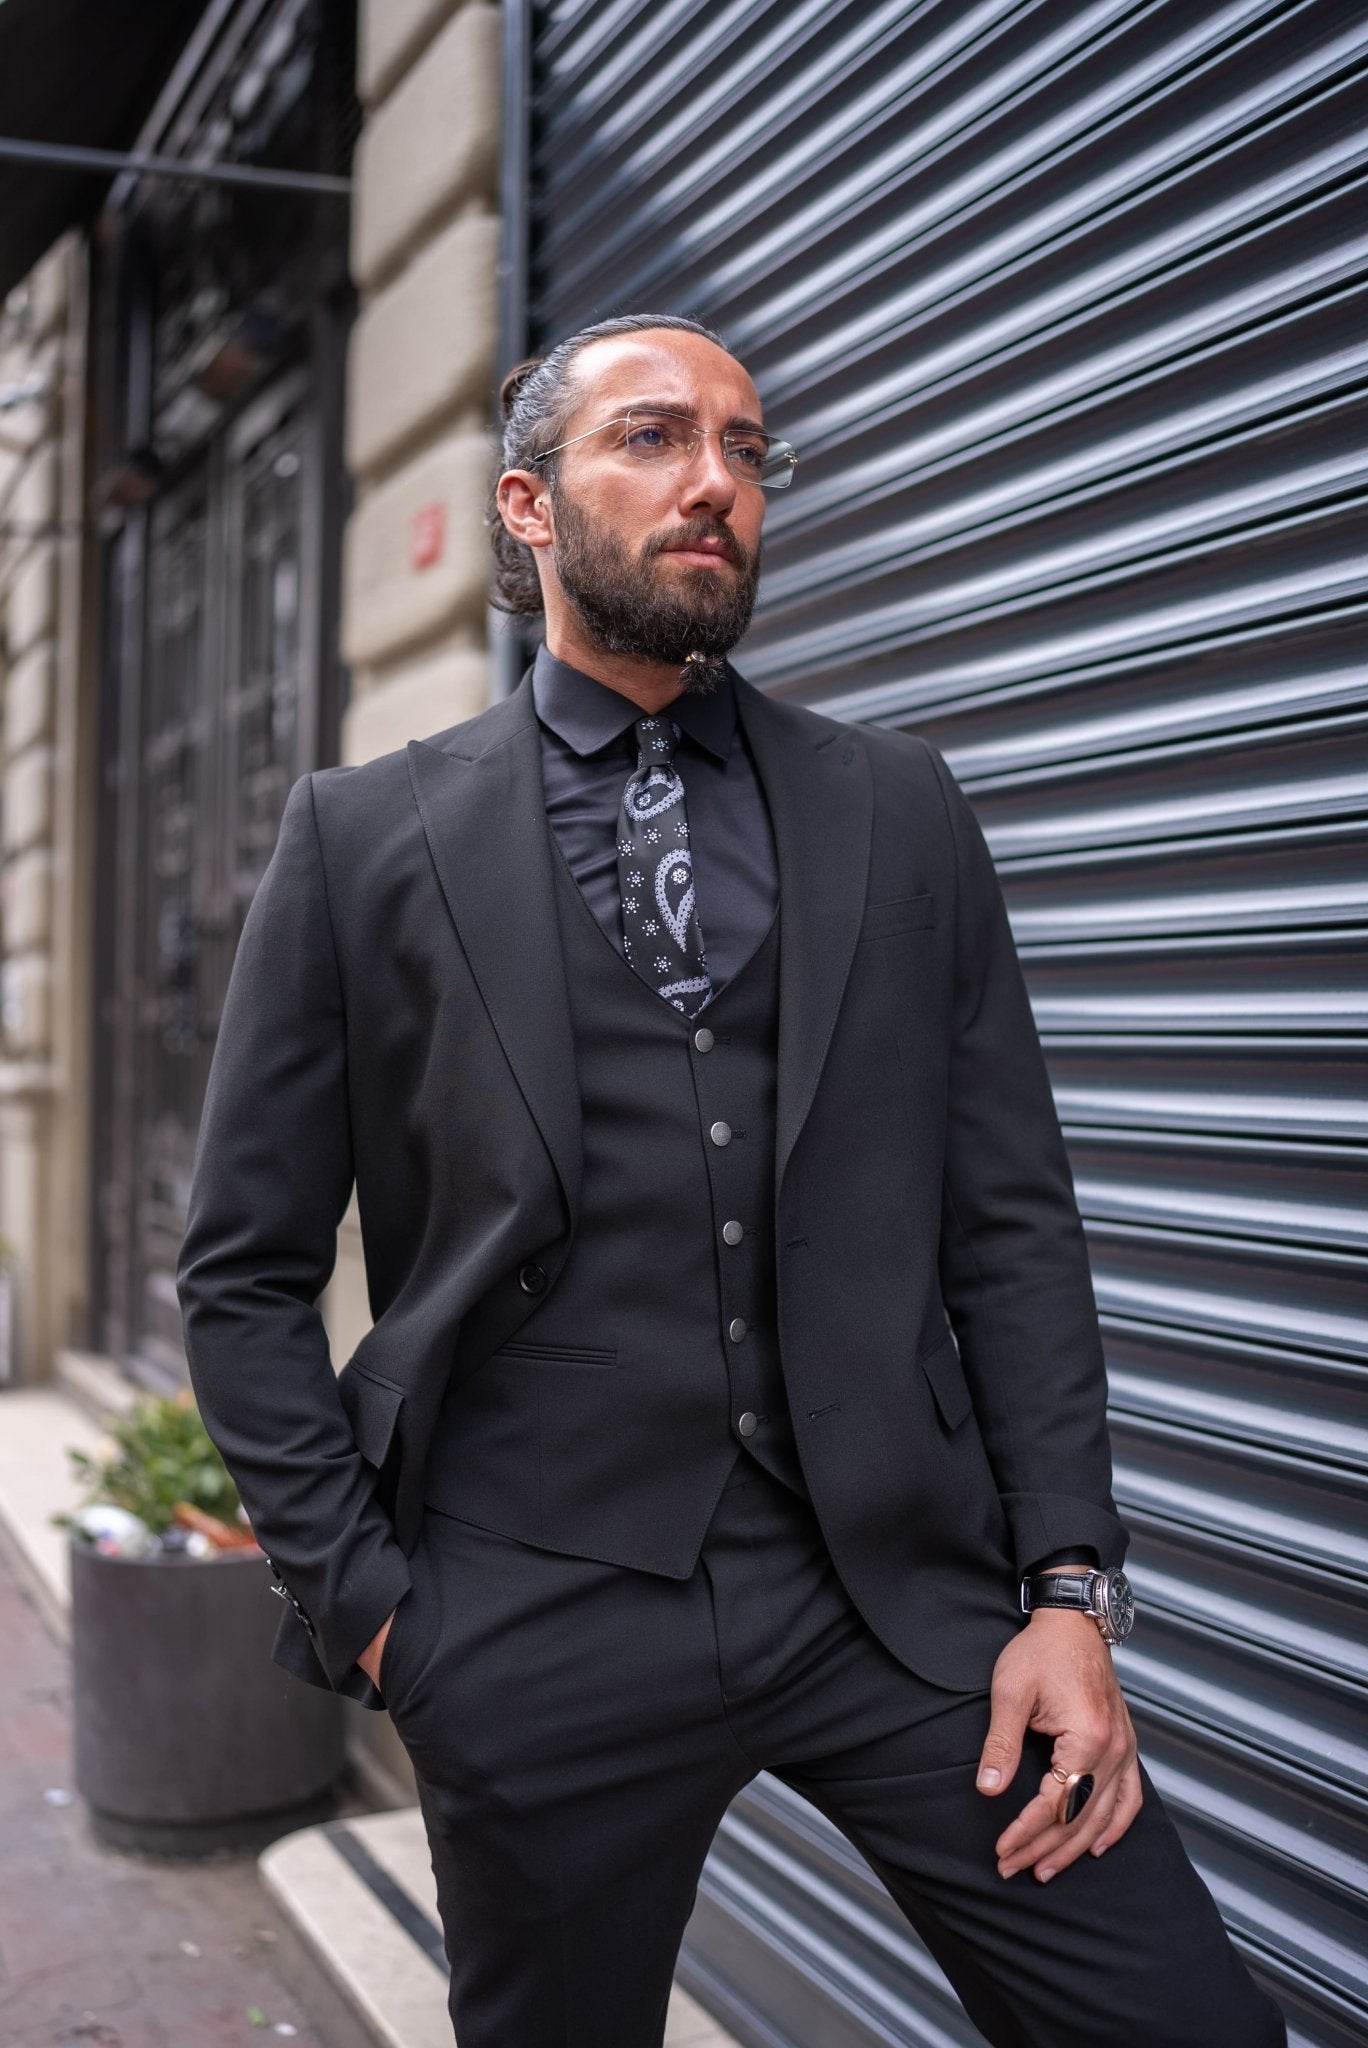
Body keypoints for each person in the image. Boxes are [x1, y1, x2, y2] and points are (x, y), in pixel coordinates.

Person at [177, 313, 1286, 2048]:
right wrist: (381, 1616)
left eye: (749, 451)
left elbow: (1009, 1223)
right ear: (528, 505)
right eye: (657, 438)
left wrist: (1070, 1589)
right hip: (530, 1611)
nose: (717, 482)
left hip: (900, 1602)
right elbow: (240, 1272)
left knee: (1184, 2022)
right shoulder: (365, 836)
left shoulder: (899, 808)